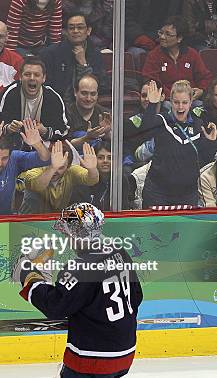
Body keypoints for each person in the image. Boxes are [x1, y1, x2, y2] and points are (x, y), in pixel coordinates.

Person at [18, 202, 143, 377]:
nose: (67, 240)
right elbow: (136, 296)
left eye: (68, 234)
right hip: (125, 351)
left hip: (92, 358)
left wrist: (29, 277)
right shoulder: (120, 251)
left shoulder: (80, 267)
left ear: (78, 234)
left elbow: (56, 307)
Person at [131, 80, 217, 208]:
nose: (180, 107)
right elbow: (145, 130)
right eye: (176, 102)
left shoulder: (199, 125)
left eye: (184, 102)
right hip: (157, 193)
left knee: (185, 229)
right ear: (170, 102)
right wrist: (152, 105)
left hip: (187, 194)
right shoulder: (162, 120)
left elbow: (205, 159)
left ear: (191, 103)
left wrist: (211, 143)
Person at [0, 56, 69, 150]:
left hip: (43, 145)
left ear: (44, 78)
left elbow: (64, 130)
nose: (32, 78)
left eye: (37, 75)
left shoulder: (53, 97)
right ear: (20, 77)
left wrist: (45, 131)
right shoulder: (10, 93)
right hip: (14, 145)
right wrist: (9, 128)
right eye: (27, 74)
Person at [39, 12, 109, 104]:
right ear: (67, 31)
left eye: (80, 27)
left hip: (87, 104)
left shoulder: (95, 54)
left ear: (88, 31)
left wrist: (83, 64)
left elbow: (99, 85)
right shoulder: (50, 53)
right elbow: (46, 87)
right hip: (58, 104)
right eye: (71, 28)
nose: (75, 31)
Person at [141, 16, 213, 104]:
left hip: (190, 100)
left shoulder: (192, 54)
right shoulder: (154, 55)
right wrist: (173, 96)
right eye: (161, 33)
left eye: (168, 34)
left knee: (200, 106)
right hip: (166, 100)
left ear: (179, 38)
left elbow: (205, 77)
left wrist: (201, 90)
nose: (162, 37)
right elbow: (152, 80)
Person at [19, 140, 99, 213]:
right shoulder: (34, 171)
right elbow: (37, 186)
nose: (55, 171)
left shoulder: (71, 170)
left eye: (60, 167)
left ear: (68, 166)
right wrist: (53, 168)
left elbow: (92, 180)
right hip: (29, 222)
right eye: (50, 165)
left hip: (56, 221)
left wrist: (92, 169)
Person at [72, 141, 134, 210]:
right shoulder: (84, 179)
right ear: (94, 159)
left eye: (109, 158)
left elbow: (124, 207)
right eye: (100, 157)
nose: (105, 161)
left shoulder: (121, 180)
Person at [66, 73, 111, 150]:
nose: (88, 98)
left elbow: (117, 146)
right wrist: (86, 138)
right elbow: (65, 145)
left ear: (97, 94)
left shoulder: (106, 115)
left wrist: (107, 133)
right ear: (75, 92)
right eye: (84, 93)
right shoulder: (65, 113)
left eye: (93, 94)